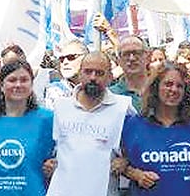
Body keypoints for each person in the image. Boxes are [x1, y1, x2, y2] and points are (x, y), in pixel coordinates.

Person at [47, 51, 133, 196]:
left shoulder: (123, 107)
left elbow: (138, 147)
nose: (93, 77)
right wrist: (48, 162)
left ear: (110, 77)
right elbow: (50, 150)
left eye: (99, 73)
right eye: (88, 72)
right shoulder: (60, 107)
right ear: (80, 74)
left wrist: (126, 161)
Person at [120, 62, 190, 196]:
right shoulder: (131, 126)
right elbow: (117, 163)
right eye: (168, 84)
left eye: (180, 86)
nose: (174, 90)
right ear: (156, 87)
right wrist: (136, 174)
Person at [0, 59, 54, 195]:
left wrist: (55, 164)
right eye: (12, 80)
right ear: (1, 86)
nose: (18, 85)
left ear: (32, 84)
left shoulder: (47, 119)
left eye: (24, 80)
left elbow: (64, 154)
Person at [41, 39, 88, 109]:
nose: (65, 62)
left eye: (71, 57)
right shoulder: (55, 90)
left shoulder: (97, 86)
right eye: (62, 59)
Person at [110, 36, 150, 111]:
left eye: (137, 53)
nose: (132, 58)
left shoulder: (161, 91)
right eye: (126, 54)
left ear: (147, 57)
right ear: (119, 61)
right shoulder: (111, 95)